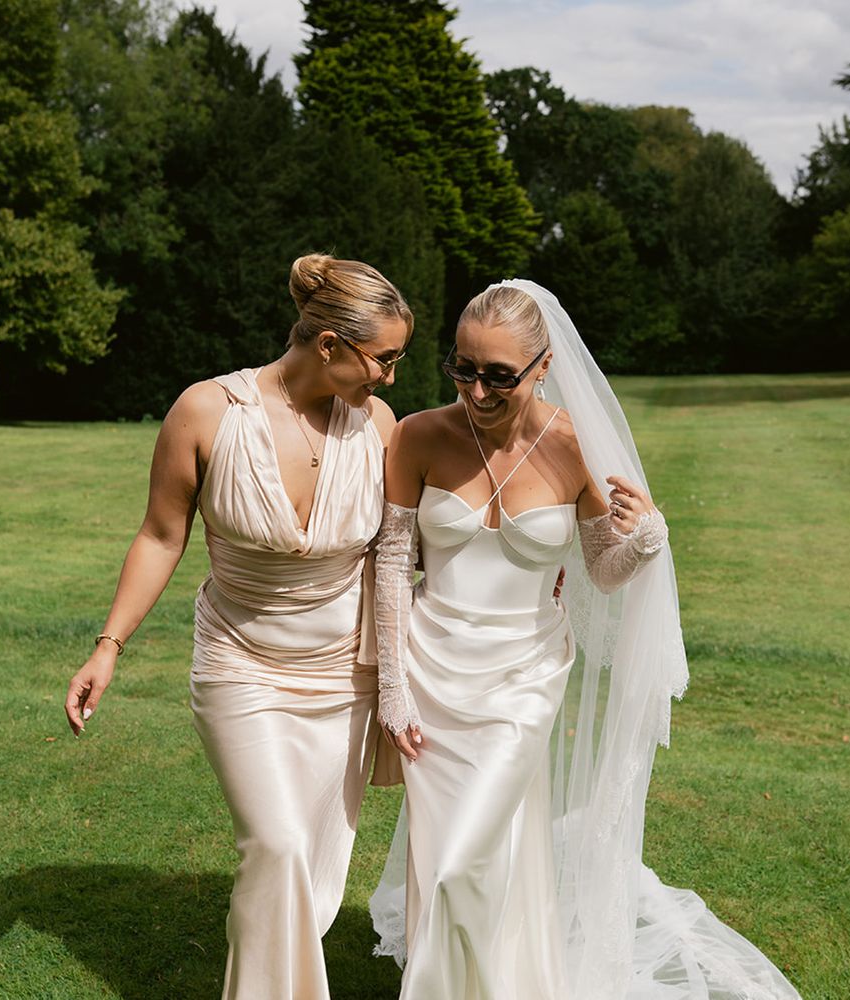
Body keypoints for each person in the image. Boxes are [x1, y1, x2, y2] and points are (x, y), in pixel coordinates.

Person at [369, 280, 803, 999]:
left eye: (499, 375)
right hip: (430, 671)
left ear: (542, 367)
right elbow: (390, 563)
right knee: (450, 854)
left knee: (458, 863)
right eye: (462, 368)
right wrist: (392, 687)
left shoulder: (575, 446)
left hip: (523, 677)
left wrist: (648, 538)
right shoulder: (418, 435)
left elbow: (602, 570)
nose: (476, 390)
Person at [64, 253, 412, 1000]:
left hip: (342, 677)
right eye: (383, 359)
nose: (390, 378)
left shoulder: (378, 426)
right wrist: (108, 647)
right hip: (240, 665)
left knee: (308, 873)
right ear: (329, 344)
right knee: (277, 845)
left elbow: (402, 549)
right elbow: (161, 535)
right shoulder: (206, 412)